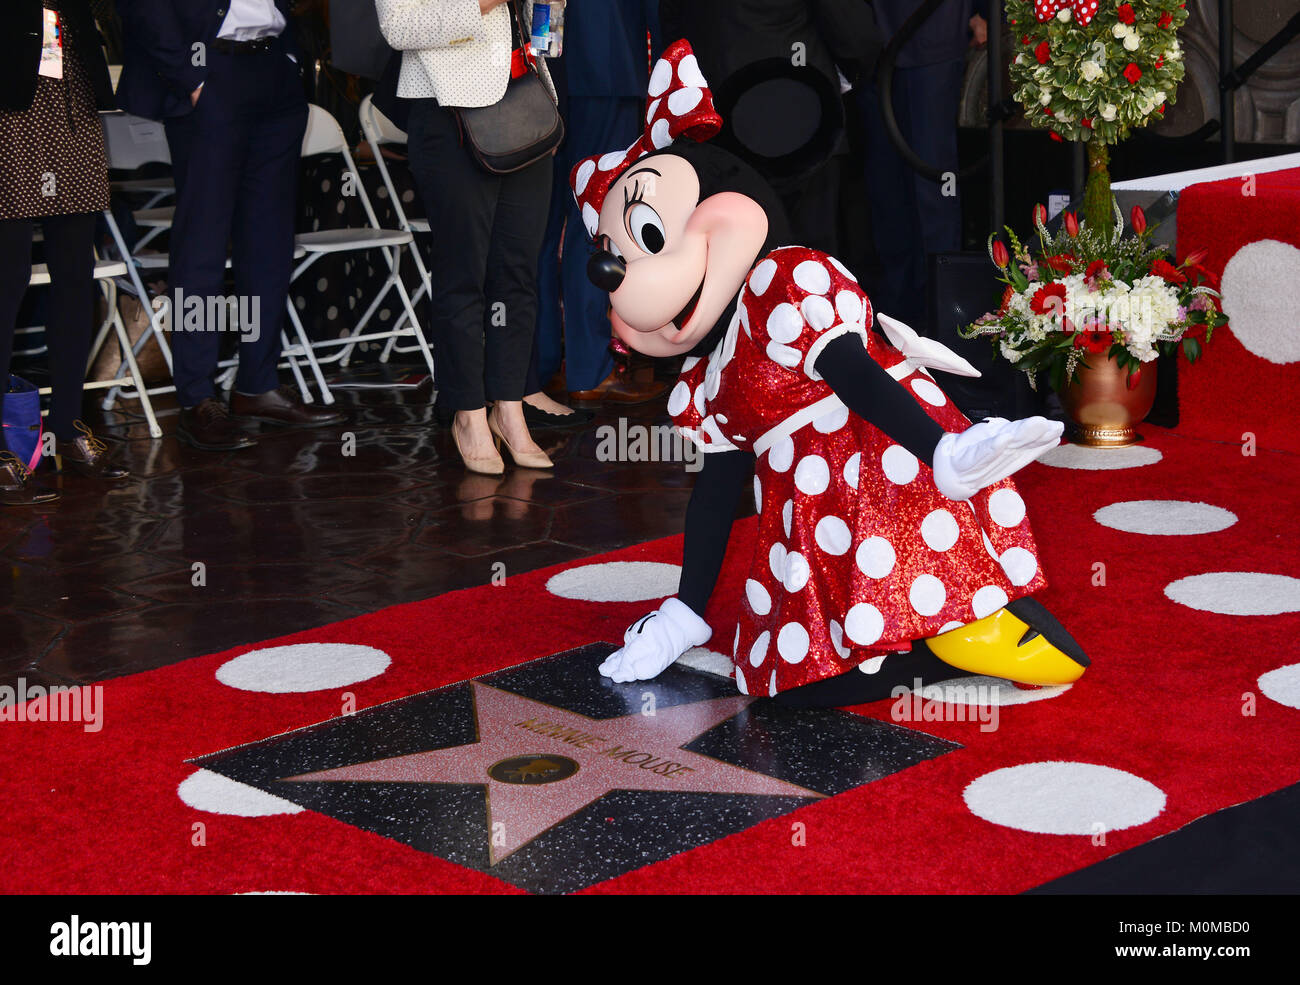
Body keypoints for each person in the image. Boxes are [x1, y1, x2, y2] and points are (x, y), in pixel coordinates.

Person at [574, 41, 1088, 703]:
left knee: (849, 651)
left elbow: (854, 372)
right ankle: (928, 643)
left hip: (888, 483)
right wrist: (684, 613)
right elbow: (717, 488)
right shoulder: (710, 375)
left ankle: (959, 629)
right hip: (812, 530)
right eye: (613, 260)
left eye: (646, 239)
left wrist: (943, 451)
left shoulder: (784, 281)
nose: (620, 278)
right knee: (786, 688)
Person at [116, 0, 347, 452]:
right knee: (201, 247)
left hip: (273, 70)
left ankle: (257, 385)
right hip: (209, 70)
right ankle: (197, 396)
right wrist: (190, 77)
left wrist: (290, 59)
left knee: (269, 245)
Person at [376, 0, 557, 474]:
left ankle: (510, 408)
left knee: (518, 274)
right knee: (464, 273)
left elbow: (544, 19)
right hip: (448, 112)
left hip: (525, 101)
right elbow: (399, 26)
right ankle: (468, 413)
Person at [0, 0, 130, 507]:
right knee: (7, 279)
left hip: (70, 104)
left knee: (76, 275)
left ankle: (68, 429)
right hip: (9, 109)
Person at [523, 0, 666, 425]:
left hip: (536, 66)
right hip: (606, 64)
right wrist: (663, 70)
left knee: (540, 228)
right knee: (594, 221)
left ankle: (537, 368)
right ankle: (587, 369)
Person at [857, 0, 984, 329]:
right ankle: (895, 313)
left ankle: (943, 312)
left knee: (931, 188)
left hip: (930, 35)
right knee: (885, 188)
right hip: (868, 39)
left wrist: (984, 12)